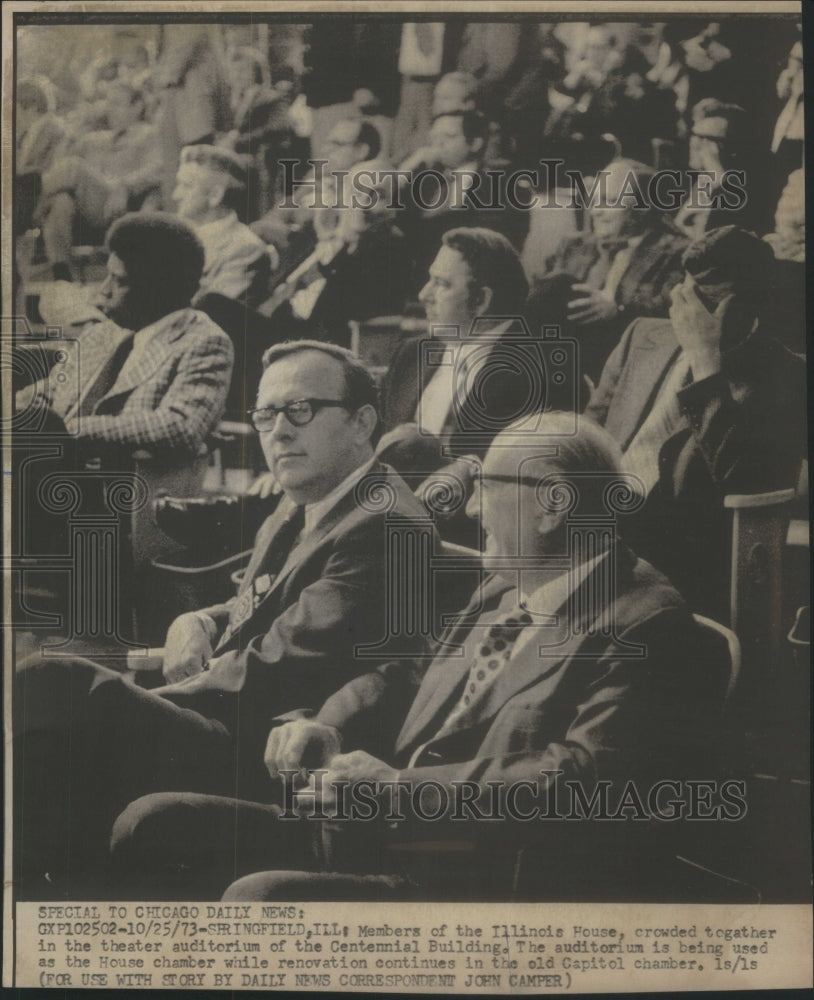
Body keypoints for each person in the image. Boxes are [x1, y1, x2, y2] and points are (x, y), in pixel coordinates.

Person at [109, 413, 725, 902]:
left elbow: (574, 781)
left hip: (470, 876)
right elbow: (412, 670)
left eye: (487, 489)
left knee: (261, 898)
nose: (472, 508)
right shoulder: (506, 581)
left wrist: (399, 789)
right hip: (375, 826)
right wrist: (328, 722)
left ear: (553, 503)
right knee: (152, 822)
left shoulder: (649, 624)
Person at [14, 340, 433, 899]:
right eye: (265, 414)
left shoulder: (384, 524)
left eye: (300, 410)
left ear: (362, 422)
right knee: (55, 720)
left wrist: (170, 691)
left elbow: (281, 665)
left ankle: (42, 903)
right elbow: (261, 604)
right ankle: (53, 896)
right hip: (231, 716)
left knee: (50, 682)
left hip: (270, 745)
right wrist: (202, 622)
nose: (278, 431)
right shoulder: (315, 496)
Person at [584, 226, 807, 618]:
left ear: (748, 304)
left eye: (706, 299)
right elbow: (589, 431)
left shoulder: (787, 376)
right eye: (685, 290)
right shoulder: (641, 336)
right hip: (593, 522)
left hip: (675, 554)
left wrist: (705, 363)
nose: (685, 307)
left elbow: (745, 483)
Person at [16, 212, 233, 459]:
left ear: (154, 289)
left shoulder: (204, 342)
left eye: (119, 280)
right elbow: (50, 391)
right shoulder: (103, 332)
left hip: (124, 488)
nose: (103, 290)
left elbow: (181, 426)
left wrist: (66, 430)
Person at [527, 157, 688, 383]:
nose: (596, 212)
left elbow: (672, 314)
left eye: (609, 201)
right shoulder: (574, 246)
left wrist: (617, 311)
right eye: (594, 201)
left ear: (642, 208)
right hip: (565, 363)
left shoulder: (677, 253)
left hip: (630, 365)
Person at [34, 82, 162, 273]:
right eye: (108, 104)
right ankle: (62, 272)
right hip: (91, 211)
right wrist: (78, 127)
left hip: (123, 208)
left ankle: (16, 211)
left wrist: (125, 186)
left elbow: (158, 170)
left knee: (73, 167)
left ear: (137, 107)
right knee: (61, 200)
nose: (110, 110)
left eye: (117, 103)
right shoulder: (93, 139)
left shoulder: (150, 135)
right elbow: (57, 166)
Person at [172, 144, 275, 309]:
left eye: (186, 186)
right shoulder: (174, 237)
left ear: (215, 195)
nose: (175, 195)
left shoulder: (245, 250)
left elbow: (213, 316)